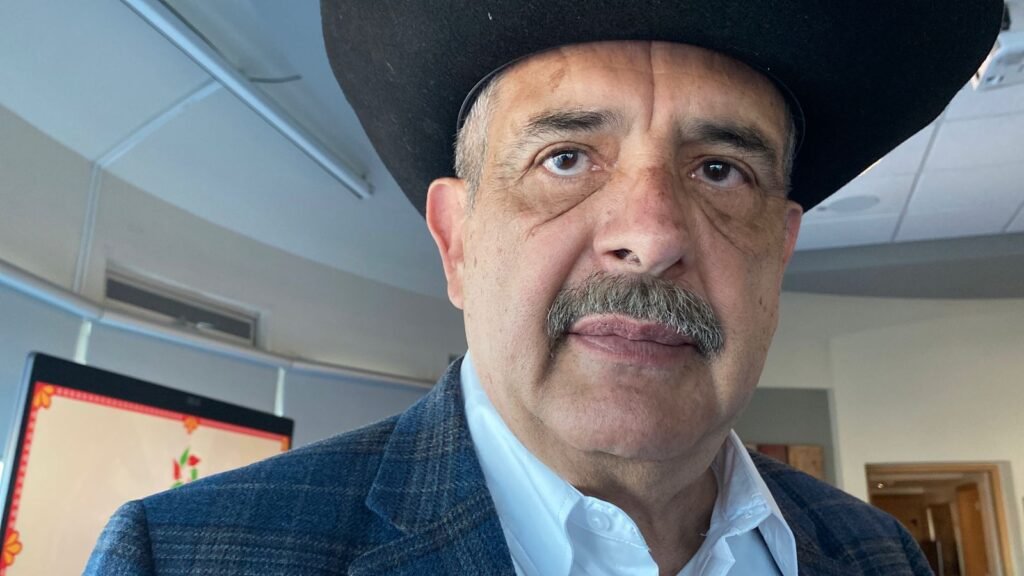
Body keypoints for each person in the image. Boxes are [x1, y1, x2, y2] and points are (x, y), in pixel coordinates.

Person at [86, 2, 1002, 575]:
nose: (651, 236)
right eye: (565, 158)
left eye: (721, 171)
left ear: (781, 253)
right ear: (456, 243)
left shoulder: (877, 556)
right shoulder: (187, 559)